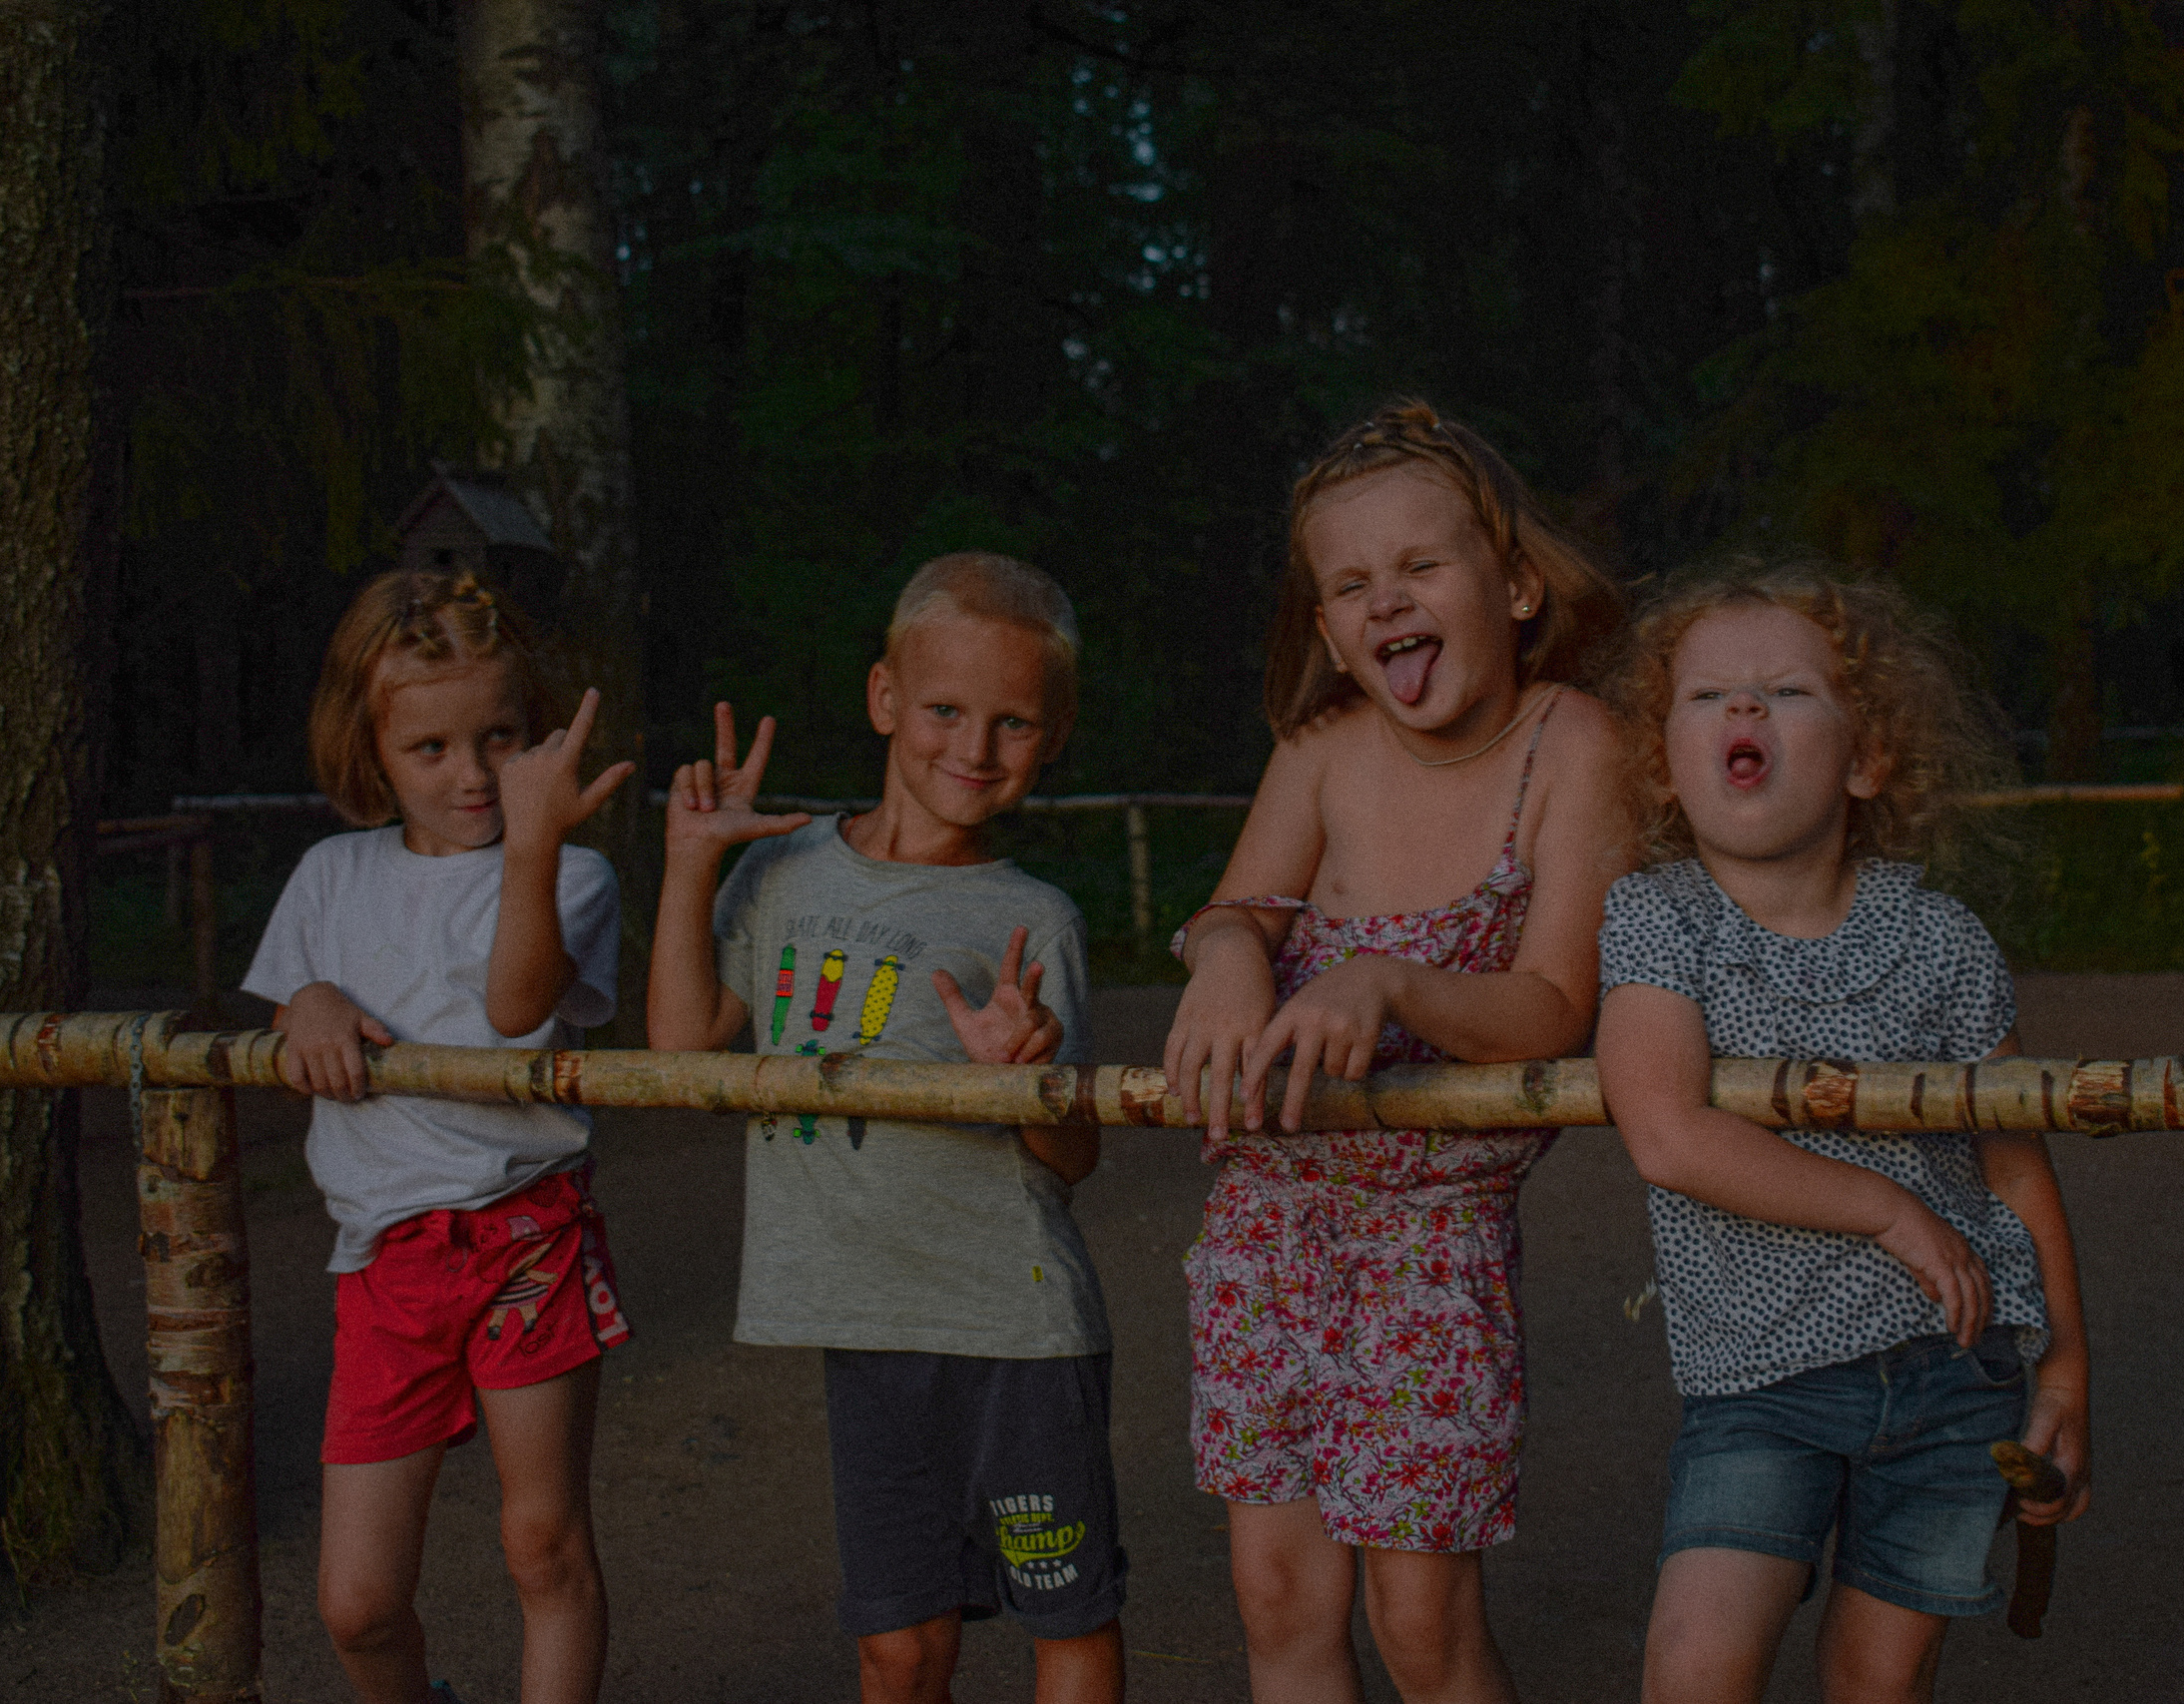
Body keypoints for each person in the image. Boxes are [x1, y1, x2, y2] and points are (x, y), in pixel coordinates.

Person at [1165, 400, 1634, 1703]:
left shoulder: (1571, 746)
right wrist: (1226, 958)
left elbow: (1553, 1005)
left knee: (1419, 1615)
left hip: (1436, 1236)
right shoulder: (1318, 750)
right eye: (1351, 583)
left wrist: (1391, 980)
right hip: (1270, 1221)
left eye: (1420, 568)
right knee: (1278, 1596)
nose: (1387, 602)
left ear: (1519, 583)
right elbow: (1236, 906)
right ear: (1325, 628)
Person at [1593, 561, 2093, 1704]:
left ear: (1869, 757)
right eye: (1706, 695)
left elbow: (2013, 1160)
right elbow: (1667, 1132)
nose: (1743, 709)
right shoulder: (1659, 919)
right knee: (1692, 1669)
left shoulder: (1944, 941)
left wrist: (2062, 1363)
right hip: (1759, 1387)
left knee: (1880, 1684)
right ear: (1664, 766)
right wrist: (1887, 1209)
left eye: (1785, 690)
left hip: (1954, 1375)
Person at [647, 552, 1127, 1704]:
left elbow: (1074, 1158)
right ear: (883, 700)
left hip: (1015, 1331)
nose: (973, 747)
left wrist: (1029, 1080)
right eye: (946, 710)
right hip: (863, 1326)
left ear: (1052, 737)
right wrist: (686, 864)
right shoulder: (779, 871)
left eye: (1013, 722)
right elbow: (679, 1049)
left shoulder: (1031, 918)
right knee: (896, 1647)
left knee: (1064, 1614)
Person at [243, 569, 635, 1704]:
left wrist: (530, 844)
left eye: (500, 737)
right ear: (370, 754)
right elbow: (289, 1006)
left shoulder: (573, 873)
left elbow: (518, 1009)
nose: (472, 775)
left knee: (541, 1544)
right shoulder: (330, 875)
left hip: (526, 1238)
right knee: (356, 1604)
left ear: (536, 732)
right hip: (382, 1263)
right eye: (432, 749)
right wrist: (308, 1001)